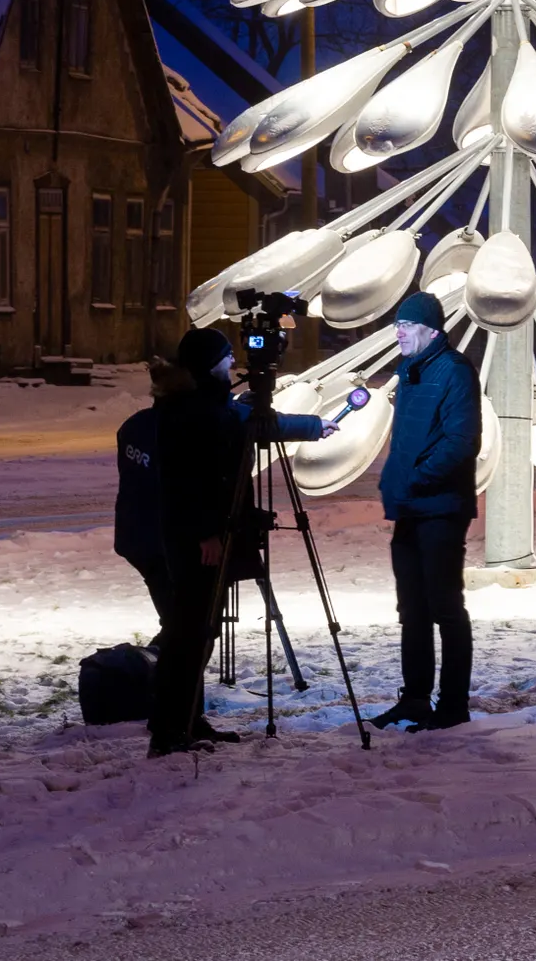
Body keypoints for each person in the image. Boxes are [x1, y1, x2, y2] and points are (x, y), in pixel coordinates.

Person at [146, 324, 333, 758]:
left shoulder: (204, 404)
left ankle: (186, 719)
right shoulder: (195, 411)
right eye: (227, 359)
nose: (234, 365)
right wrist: (207, 534)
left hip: (199, 534)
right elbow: (190, 482)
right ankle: (171, 729)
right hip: (198, 540)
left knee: (198, 631)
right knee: (189, 632)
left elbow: (241, 425)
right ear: (210, 366)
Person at [372, 291, 481, 732]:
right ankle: (415, 697)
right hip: (410, 509)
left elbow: (461, 441)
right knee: (411, 610)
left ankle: (453, 705)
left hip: (440, 508)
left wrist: (415, 479)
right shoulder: (410, 372)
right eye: (396, 324)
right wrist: (393, 481)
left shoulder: (453, 371)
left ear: (431, 331)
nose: (398, 331)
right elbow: (406, 441)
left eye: (407, 325)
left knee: (445, 608)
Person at [114, 384, 172, 638]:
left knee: (175, 618)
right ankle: (162, 672)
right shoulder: (170, 431)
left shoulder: (134, 425)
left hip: (134, 534)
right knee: (185, 624)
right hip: (159, 538)